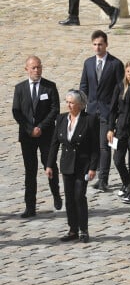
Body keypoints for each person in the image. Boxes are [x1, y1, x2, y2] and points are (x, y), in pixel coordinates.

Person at [46, 90, 99, 243]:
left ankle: (83, 229)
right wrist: (49, 165)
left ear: (80, 105)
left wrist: (93, 168)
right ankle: (72, 229)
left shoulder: (90, 120)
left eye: (71, 102)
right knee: (69, 198)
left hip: (83, 165)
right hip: (67, 165)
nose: (68, 105)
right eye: (67, 102)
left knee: (79, 196)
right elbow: (55, 144)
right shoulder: (61, 119)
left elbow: (95, 147)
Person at [12, 56, 62, 218]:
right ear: (26, 69)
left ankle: (56, 194)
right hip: (27, 137)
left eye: (39, 67)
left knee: (50, 166)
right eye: (33, 68)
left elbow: (55, 109)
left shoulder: (49, 87)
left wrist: (40, 127)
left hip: (46, 135)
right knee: (30, 171)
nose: (36, 70)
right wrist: (29, 129)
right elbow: (16, 111)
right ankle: (30, 206)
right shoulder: (20, 88)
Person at [80, 30, 124, 192]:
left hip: (107, 111)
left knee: (104, 146)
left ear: (106, 44)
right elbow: (83, 86)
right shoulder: (88, 63)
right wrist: (81, 108)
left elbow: (121, 89)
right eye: (95, 44)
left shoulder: (115, 64)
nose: (97, 47)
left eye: (100, 44)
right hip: (91, 110)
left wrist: (117, 111)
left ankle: (103, 179)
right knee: (91, 144)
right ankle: (91, 171)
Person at [107, 59, 130, 205]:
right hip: (120, 129)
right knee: (117, 160)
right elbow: (112, 110)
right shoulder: (120, 87)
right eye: (128, 71)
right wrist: (111, 128)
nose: (129, 74)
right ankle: (127, 182)